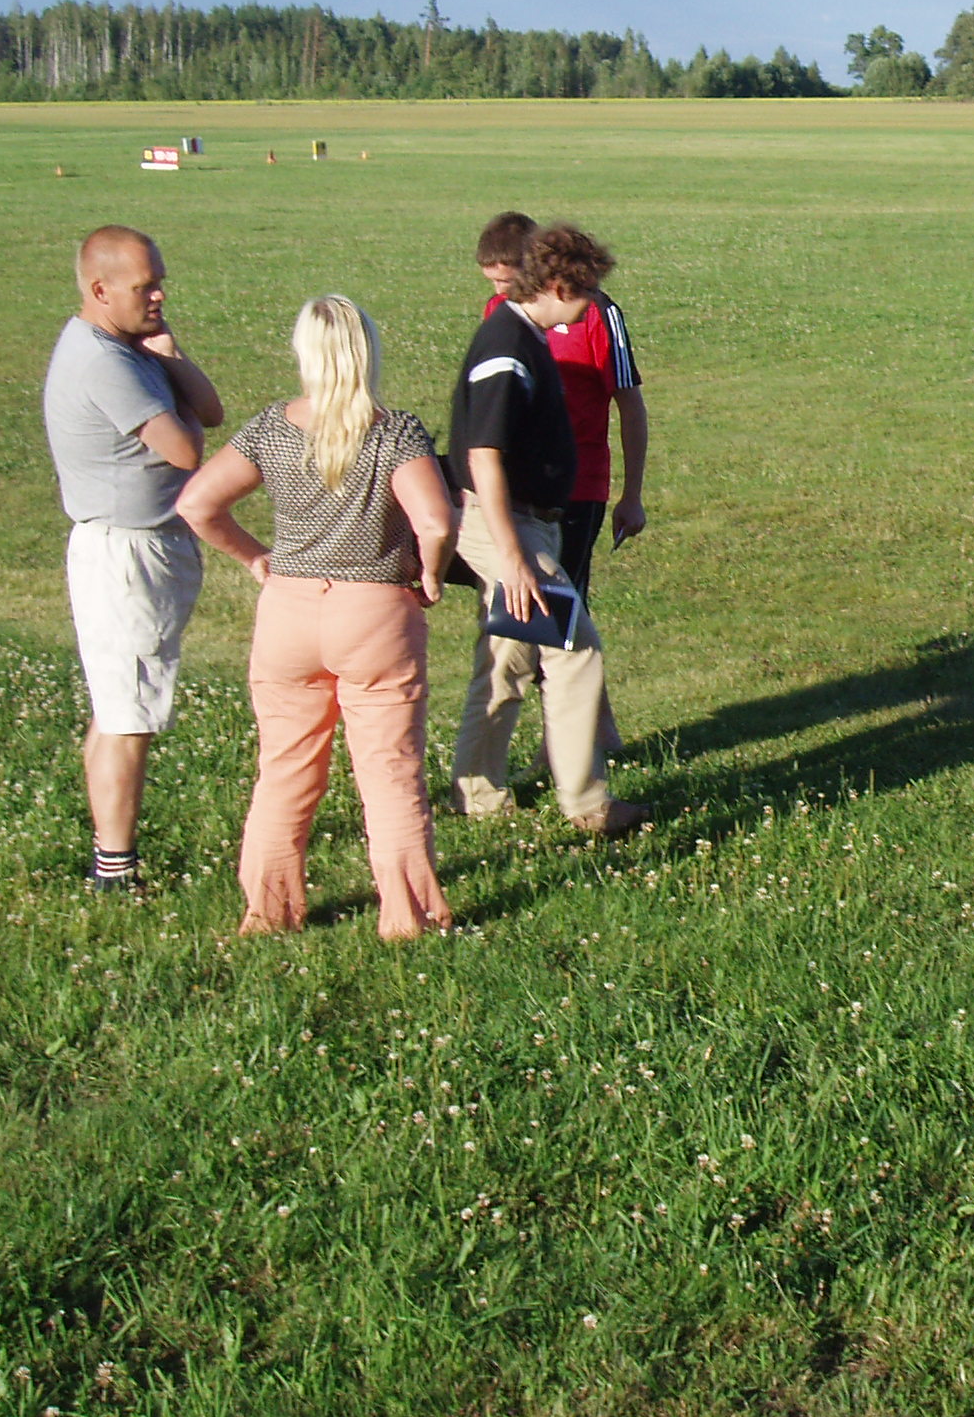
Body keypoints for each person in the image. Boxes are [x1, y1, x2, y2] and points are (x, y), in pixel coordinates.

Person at [176, 295, 457, 939]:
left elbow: (197, 505)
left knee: (286, 766)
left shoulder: (271, 428)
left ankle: (268, 911)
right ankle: (407, 916)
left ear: (302, 353)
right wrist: (432, 573)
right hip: (378, 613)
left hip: (289, 614)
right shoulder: (394, 431)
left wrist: (256, 558)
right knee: (389, 771)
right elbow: (436, 521)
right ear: (367, 352)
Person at [446, 223, 649, 838]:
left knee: (507, 655)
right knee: (574, 645)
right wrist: (513, 555)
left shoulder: (523, 332)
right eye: (585, 293)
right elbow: (482, 455)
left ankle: (475, 791)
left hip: (527, 523)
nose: (592, 306)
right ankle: (587, 802)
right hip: (510, 525)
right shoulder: (507, 343)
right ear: (559, 285)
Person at [42, 225, 223, 891]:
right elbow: (186, 449)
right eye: (146, 286)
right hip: (126, 557)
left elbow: (209, 409)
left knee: (121, 706)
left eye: (160, 280)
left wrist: (171, 354)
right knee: (128, 718)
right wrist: (165, 375)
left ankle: (110, 855)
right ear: (100, 290)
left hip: (145, 547)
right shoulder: (104, 363)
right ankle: (114, 869)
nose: (160, 295)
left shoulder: (129, 346)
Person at [475, 211, 649, 606]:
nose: (501, 291)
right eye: (494, 283)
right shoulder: (498, 314)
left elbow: (631, 404)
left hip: (578, 484)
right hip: (516, 485)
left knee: (562, 605)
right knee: (512, 601)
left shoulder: (598, 314)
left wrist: (631, 495)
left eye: (507, 280)